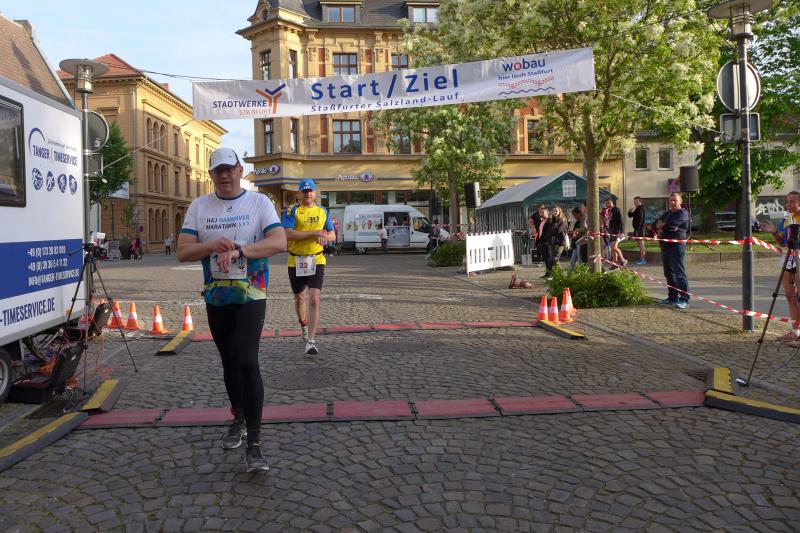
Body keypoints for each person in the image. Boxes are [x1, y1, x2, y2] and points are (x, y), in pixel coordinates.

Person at [177, 147, 286, 473]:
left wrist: (241, 249)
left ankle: (255, 444)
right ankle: (237, 416)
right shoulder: (199, 207)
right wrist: (212, 245)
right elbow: (182, 252)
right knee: (229, 361)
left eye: (229, 169)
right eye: (218, 170)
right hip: (217, 296)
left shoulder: (259, 202)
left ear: (240, 170)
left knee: (248, 361)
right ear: (211, 174)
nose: (224, 175)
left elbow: (279, 242)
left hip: (252, 294)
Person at [283, 179, 336, 355]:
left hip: (317, 259)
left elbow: (332, 235)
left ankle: (311, 341)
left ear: (315, 193)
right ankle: (303, 325)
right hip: (296, 260)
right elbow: (288, 233)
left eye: (310, 191)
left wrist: (324, 237)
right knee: (299, 298)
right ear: (299, 193)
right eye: (304, 191)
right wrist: (314, 233)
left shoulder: (323, 211)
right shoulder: (292, 210)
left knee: (314, 297)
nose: (308, 194)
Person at [760, 191, 800, 345]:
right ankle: (795, 331)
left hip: (799, 257)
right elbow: (782, 242)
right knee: (790, 295)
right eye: (787, 201)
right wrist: (775, 232)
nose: (789, 204)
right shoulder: (787, 219)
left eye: (793, 201)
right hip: (788, 257)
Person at [656, 192, 690, 309]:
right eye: (671, 200)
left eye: (675, 200)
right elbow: (655, 224)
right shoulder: (668, 213)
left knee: (679, 273)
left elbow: (669, 226)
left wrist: (663, 226)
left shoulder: (682, 213)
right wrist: (662, 225)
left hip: (677, 246)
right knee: (668, 273)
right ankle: (672, 297)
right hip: (665, 245)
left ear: (680, 201)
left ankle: (684, 299)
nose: (673, 202)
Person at [605, 199, 627, 267]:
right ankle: (615, 263)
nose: (607, 204)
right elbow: (608, 221)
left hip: (616, 232)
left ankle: (623, 260)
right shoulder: (608, 211)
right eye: (606, 203)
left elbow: (620, 221)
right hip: (611, 232)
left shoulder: (616, 209)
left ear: (612, 203)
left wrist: (621, 232)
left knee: (614, 247)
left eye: (609, 203)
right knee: (612, 248)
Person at [535, 205, 555, 279]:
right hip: (542, 242)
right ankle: (547, 273)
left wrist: (544, 240)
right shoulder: (542, 221)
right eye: (540, 213)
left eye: (543, 212)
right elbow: (540, 232)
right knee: (546, 258)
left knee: (549, 258)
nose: (541, 214)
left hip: (547, 243)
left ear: (547, 213)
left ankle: (552, 274)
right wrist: (538, 241)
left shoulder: (549, 221)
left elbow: (548, 233)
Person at [628, 197, 647, 265]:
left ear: (640, 202)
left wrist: (637, 229)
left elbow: (640, 220)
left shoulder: (640, 209)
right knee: (640, 244)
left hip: (640, 229)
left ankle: (643, 259)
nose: (635, 203)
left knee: (641, 244)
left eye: (636, 201)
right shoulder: (637, 209)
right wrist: (629, 211)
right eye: (634, 201)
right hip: (637, 229)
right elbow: (631, 215)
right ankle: (642, 258)